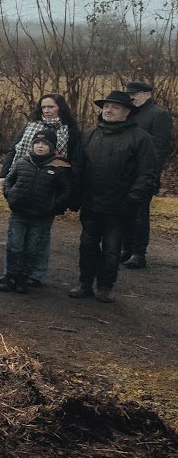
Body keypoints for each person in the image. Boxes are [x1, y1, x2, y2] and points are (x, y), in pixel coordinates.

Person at [70, 91, 160, 303]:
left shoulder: (141, 139)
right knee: (87, 245)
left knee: (112, 249)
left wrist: (132, 201)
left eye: (115, 107)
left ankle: (105, 286)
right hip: (91, 203)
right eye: (106, 106)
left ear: (127, 112)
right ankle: (84, 283)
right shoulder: (90, 134)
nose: (108, 110)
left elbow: (147, 174)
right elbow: (78, 167)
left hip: (120, 206)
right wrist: (75, 195)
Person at [0, 93, 83, 285]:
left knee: (39, 238)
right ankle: (11, 273)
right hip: (23, 182)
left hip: (50, 187)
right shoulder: (30, 126)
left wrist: (63, 199)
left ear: (60, 108)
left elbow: (75, 161)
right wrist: (4, 177)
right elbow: (14, 149)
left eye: (51, 107)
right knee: (16, 239)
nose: (46, 110)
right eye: (43, 107)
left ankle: (35, 274)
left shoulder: (70, 130)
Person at [0, 130, 72, 293]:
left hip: (42, 216)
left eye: (45, 144)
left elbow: (66, 190)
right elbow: (9, 179)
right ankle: (10, 275)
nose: (40, 146)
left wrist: (55, 206)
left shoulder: (60, 167)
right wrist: (10, 195)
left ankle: (24, 277)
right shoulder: (23, 162)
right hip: (19, 213)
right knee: (14, 245)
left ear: (52, 147)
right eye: (37, 143)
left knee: (33, 247)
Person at [120, 81, 172, 269]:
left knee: (140, 214)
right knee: (124, 212)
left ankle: (138, 253)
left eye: (135, 93)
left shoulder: (159, 115)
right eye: (129, 93)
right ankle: (126, 249)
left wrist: (150, 175)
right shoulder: (129, 113)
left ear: (147, 94)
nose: (131, 97)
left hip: (144, 174)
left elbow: (160, 148)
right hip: (124, 172)